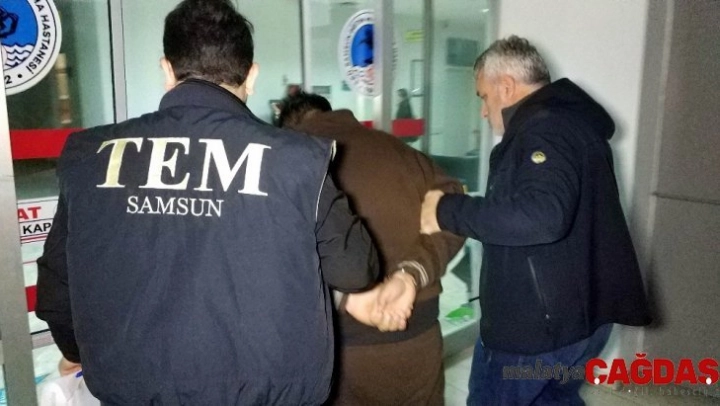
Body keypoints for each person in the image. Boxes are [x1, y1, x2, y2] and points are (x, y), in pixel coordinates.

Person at [35, 1, 379, 404]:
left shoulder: (90, 155)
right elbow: (356, 270)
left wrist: (78, 351)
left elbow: (56, 291)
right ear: (251, 75)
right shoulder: (297, 159)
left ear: (167, 70)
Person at [420, 35, 652, 405]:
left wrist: (446, 210)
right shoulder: (574, 125)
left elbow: (542, 216)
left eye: (483, 96)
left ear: (506, 86)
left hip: (535, 330)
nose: (483, 111)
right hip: (580, 321)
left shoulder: (544, 129)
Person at [279, 93, 466, 405]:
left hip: (341, 356)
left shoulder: (290, 164)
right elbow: (455, 208)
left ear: (289, 127)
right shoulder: (400, 151)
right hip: (419, 340)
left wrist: (345, 298)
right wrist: (412, 272)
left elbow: (276, 259)